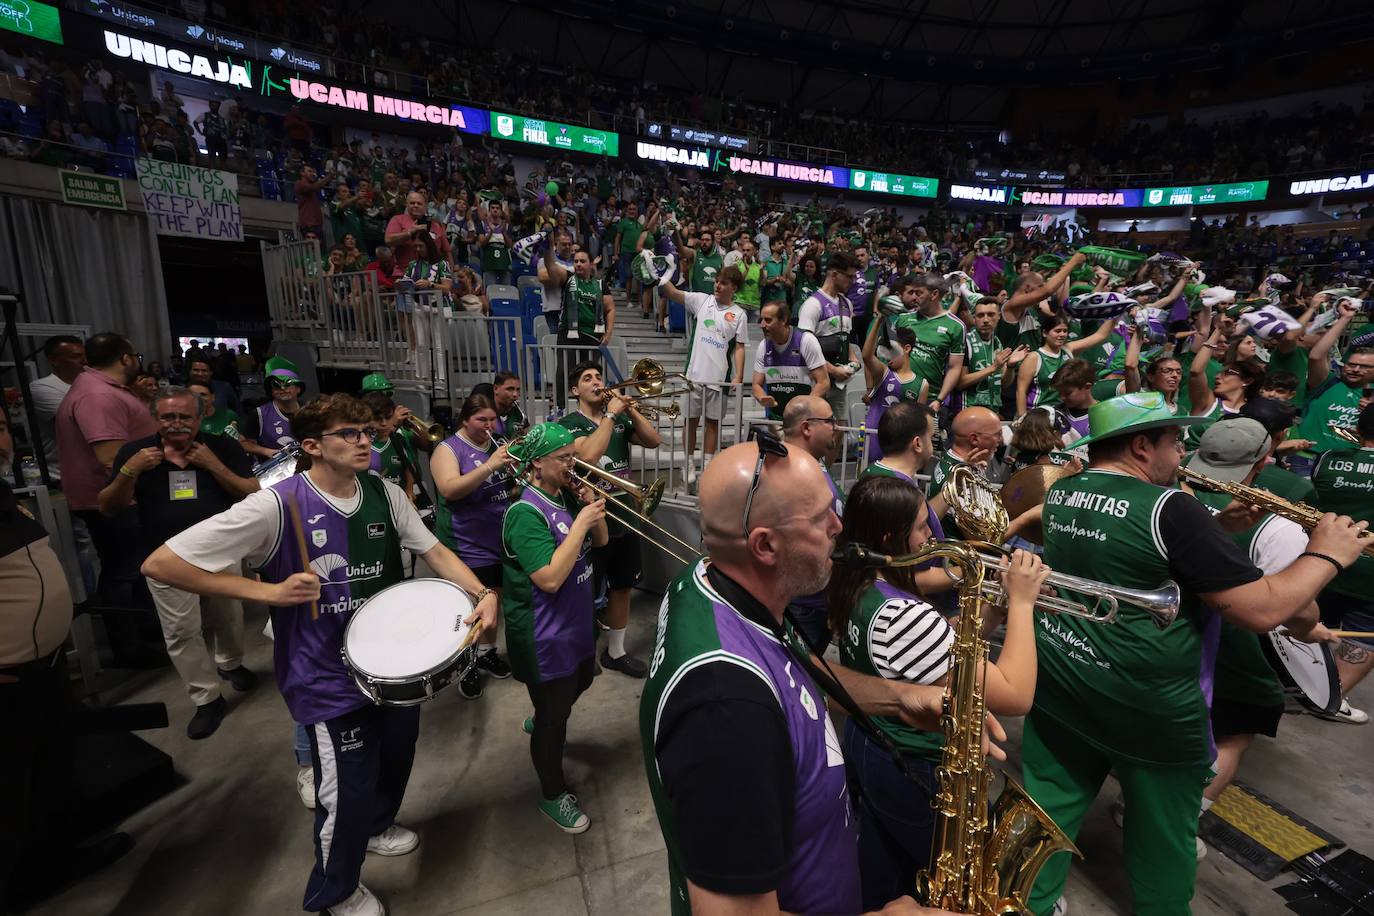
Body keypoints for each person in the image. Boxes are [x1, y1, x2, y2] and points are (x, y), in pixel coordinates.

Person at [142, 393, 498, 916]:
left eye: (366, 432)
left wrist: (482, 594)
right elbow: (162, 563)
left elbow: (435, 550)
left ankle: (377, 827)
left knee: (397, 757)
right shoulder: (275, 503)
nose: (364, 441)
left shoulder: (383, 492)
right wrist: (266, 593)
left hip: (395, 662)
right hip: (324, 674)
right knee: (345, 791)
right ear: (311, 446)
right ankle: (335, 890)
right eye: (348, 435)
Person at [1026, 391, 1368, 916]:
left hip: (1065, 682)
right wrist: (1327, 552)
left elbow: (1133, 548)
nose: (1180, 455)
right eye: (1173, 442)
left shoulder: (1063, 490)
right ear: (1142, 446)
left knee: (1048, 803)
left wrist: (1215, 527)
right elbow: (1258, 611)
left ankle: (1029, 901)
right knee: (1165, 836)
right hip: (1150, 706)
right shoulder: (1173, 508)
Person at [639, 436, 960, 916]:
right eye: (822, 519)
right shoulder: (726, 711)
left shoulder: (716, 581)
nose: (840, 528)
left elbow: (792, 665)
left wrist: (901, 698)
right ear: (765, 545)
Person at [829, 475, 1048, 910]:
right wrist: (1022, 604)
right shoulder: (903, 615)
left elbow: (940, 649)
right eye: (921, 527)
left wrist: (994, 608)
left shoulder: (860, 582)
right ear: (892, 538)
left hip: (870, 743)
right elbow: (1015, 695)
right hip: (915, 766)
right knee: (948, 882)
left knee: (885, 863)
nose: (933, 533)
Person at [1178, 419, 1336, 849]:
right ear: (1265, 461)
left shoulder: (1172, 493)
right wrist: (1309, 628)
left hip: (1171, 637)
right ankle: (1184, 815)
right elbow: (1296, 609)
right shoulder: (1278, 525)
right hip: (1231, 647)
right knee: (1237, 728)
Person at [0, 411, 134, 912]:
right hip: (8, 682)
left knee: (48, 779)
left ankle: (52, 862)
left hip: (44, 669)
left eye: (0, 426)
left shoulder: (6, 496)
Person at [97, 388, 260, 739]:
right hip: (165, 557)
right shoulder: (136, 453)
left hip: (220, 551)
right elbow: (108, 507)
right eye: (169, 417)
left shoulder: (221, 446)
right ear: (156, 419)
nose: (177, 424)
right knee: (180, 630)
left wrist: (212, 465)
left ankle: (230, 664)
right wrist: (129, 470)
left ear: (200, 418)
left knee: (228, 616)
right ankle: (206, 698)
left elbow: (251, 492)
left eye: (185, 417)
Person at [501, 423, 608, 834]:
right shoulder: (523, 512)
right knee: (554, 719)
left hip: (574, 623)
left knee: (582, 680)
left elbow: (599, 544)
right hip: (544, 633)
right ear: (536, 464)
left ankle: (544, 711)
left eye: (572, 456)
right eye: (564, 458)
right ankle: (551, 793)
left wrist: (593, 508)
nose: (573, 464)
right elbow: (547, 577)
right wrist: (580, 523)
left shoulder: (562, 494)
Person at [560, 361, 662, 677]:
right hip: (588, 521)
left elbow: (653, 440)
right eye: (587, 378)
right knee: (584, 592)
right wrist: (611, 415)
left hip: (624, 516)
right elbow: (587, 456)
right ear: (575, 390)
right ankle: (580, 653)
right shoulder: (569, 424)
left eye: (599, 377)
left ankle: (615, 652)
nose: (596, 381)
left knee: (622, 587)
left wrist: (629, 409)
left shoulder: (617, 418)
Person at [55, 332, 158, 611]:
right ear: (125, 359)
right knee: (124, 573)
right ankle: (130, 650)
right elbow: (112, 459)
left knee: (134, 572)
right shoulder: (97, 395)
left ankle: (144, 638)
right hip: (115, 501)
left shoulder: (101, 389)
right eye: (135, 356)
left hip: (123, 499)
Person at [431, 394, 516, 700]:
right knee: (470, 609)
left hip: (497, 538)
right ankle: (465, 665)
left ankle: (487, 651)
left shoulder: (496, 443)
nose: (489, 426)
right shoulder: (448, 449)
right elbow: (450, 489)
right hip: (465, 542)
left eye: (493, 419)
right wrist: (490, 466)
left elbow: (506, 488)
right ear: (465, 419)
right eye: (482, 420)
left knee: (494, 600)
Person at [657, 264, 749, 488]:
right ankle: (688, 462)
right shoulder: (702, 300)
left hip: (719, 379)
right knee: (690, 421)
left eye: (723, 283)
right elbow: (671, 292)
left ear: (733, 287)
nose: (717, 285)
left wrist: (738, 376)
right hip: (693, 377)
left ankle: (707, 465)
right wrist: (667, 272)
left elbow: (739, 347)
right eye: (717, 281)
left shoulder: (739, 314)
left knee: (713, 424)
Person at [1311, 401, 1374, 722]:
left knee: (1311, 622)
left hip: (1323, 560)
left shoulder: (1327, 459)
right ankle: (1329, 699)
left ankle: (1292, 682)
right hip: (1370, 576)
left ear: (1360, 429)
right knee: (1367, 632)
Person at [541, 243, 616, 409]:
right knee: (563, 372)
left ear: (590, 264)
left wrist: (608, 333)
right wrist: (547, 247)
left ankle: (588, 409)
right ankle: (558, 409)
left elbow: (610, 309)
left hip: (592, 337)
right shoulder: (568, 278)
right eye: (576, 261)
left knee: (589, 376)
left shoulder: (600, 285)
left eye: (582, 261)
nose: (578, 264)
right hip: (569, 336)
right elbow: (551, 267)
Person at [798, 251, 859, 439]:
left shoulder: (846, 303)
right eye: (849, 276)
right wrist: (833, 371)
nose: (852, 281)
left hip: (840, 384)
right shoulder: (813, 304)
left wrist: (853, 360)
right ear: (834, 274)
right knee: (814, 433)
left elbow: (844, 338)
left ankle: (827, 470)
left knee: (837, 431)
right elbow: (805, 348)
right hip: (816, 381)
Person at [1015, 312, 1114, 417]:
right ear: (1044, 333)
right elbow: (1021, 390)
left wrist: (1116, 313)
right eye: (1057, 331)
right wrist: (1022, 418)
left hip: (1063, 412)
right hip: (1039, 414)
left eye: (1065, 331)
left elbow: (1100, 335)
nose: (1062, 334)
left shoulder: (1068, 349)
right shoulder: (1034, 357)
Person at [893, 272, 967, 411]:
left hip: (930, 397)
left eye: (919, 293)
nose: (914, 297)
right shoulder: (903, 319)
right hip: (897, 392)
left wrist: (940, 399)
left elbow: (954, 368)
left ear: (934, 295)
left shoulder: (956, 326)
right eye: (913, 292)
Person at [754, 300, 829, 422]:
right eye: (761, 320)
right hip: (775, 419)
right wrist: (762, 397)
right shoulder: (763, 346)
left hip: (802, 421)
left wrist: (803, 409)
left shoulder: (806, 340)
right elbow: (756, 384)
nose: (762, 325)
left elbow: (823, 383)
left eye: (768, 320)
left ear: (783, 320)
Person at [28, 334, 85, 481]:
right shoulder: (41, 388)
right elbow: (80, 424)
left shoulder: (91, 385)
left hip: (95, 470)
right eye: (76, 356)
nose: (84, 361)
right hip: (62, 476)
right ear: (54, 360)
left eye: (85, 356)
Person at [244, 357, 304, 460]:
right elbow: (244, 443)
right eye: (276, 386)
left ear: (298, 389)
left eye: (288, 384)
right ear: (271, 392)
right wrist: (266, 452)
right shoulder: (259, 414)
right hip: (276, 471)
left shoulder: (310, 411)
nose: (283, 389)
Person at [384, 191, 451, 273]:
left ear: (425, 206)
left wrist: (449, 274)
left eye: (419, 203)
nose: (415, 205)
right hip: (405, 274)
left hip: (433, 275)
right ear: (407, 205)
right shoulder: (398, 220)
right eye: (412, 203)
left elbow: (447, 252)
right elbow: (388, 240)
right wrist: (409, 232)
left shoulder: (436, 225)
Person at [536, 229, 577, 335]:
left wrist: (560, 275)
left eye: (569, 244)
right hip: (553, 309)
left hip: (572, 310)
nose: (567, 247)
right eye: (564, 244)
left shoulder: (576, 263)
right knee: (556, 343)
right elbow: (544, 277)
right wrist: (568, 276)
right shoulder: (545, 260)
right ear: (556, 244)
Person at [491, 371, 528, 442]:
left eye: (518, 389)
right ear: (496, 389)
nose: (515, 394)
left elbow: (526, 434)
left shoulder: (517, 412)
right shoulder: (485, 412)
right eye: (510, 389)